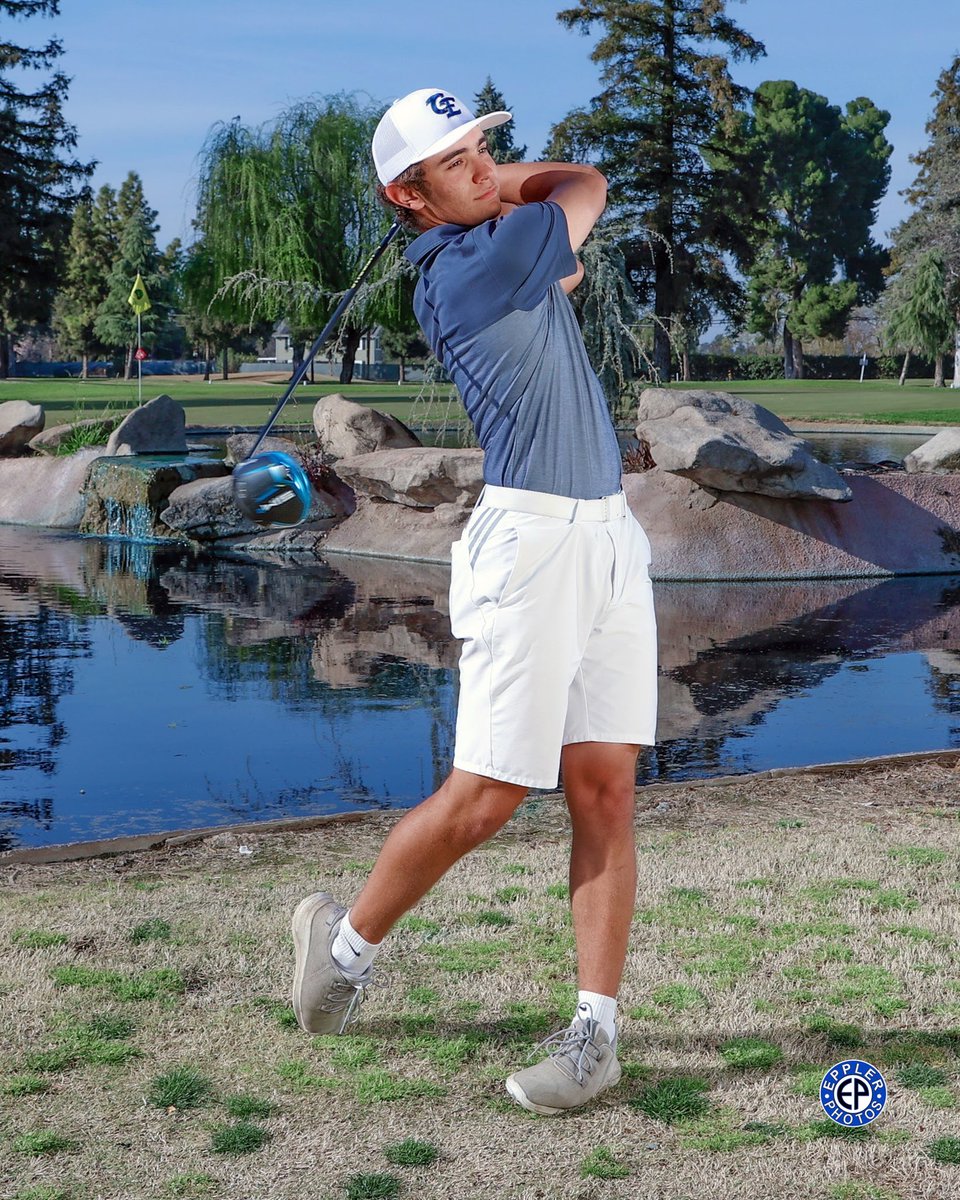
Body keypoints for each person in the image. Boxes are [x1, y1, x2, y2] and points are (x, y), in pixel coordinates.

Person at [291, 87, 657, 1116]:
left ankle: (596, 1035)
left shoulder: (500, 243)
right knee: (488, 796)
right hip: (530, 546)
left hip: (608, 534)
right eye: (457, 162)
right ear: (406, 198)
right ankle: (344, 952)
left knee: (606, 792)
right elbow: (586, 183)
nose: (487, 168)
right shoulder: (472, 265)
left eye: (485, 148)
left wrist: (483, 188)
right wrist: (507, 195)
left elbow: (566, 233)